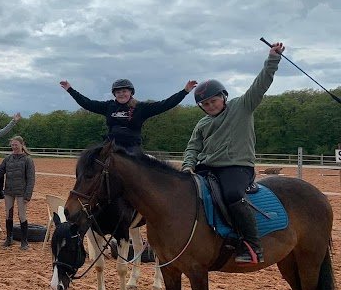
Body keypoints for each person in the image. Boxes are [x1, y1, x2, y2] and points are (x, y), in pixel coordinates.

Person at [182, 41, 285, 265]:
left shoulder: (243, 106)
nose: (210, 105)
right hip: (207, 167)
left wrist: (272, 59)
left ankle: (252, 244)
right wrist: (188, 165)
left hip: (236, 167)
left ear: (223, 97)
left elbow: (261, 84)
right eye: (205, 104)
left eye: (213, 100)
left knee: (231, 195)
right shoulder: (202, 124)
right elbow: (193, 147)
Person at [59, 78, 198, 155]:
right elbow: (87, 103)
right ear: (114, 94)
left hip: (132, 148)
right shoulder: (108, 106)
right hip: (111, 146)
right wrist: (70, 90)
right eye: (118, 92)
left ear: (130, 92)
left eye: (124, 91)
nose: (121, 94)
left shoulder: (141, 108)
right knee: (89, 161)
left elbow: (165, 104)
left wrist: (184, 91)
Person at [0, 136, 36, 250]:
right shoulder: (8, 159)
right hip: (9, 191)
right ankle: (9, 238)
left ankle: (24, 241)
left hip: (22, 192)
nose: (14, 147)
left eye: (16, 145)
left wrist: (28, 195)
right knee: (8, 215)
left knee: (22, 216)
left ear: (22, 145)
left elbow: (31, 179)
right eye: (12, 145)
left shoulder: (27, 160)